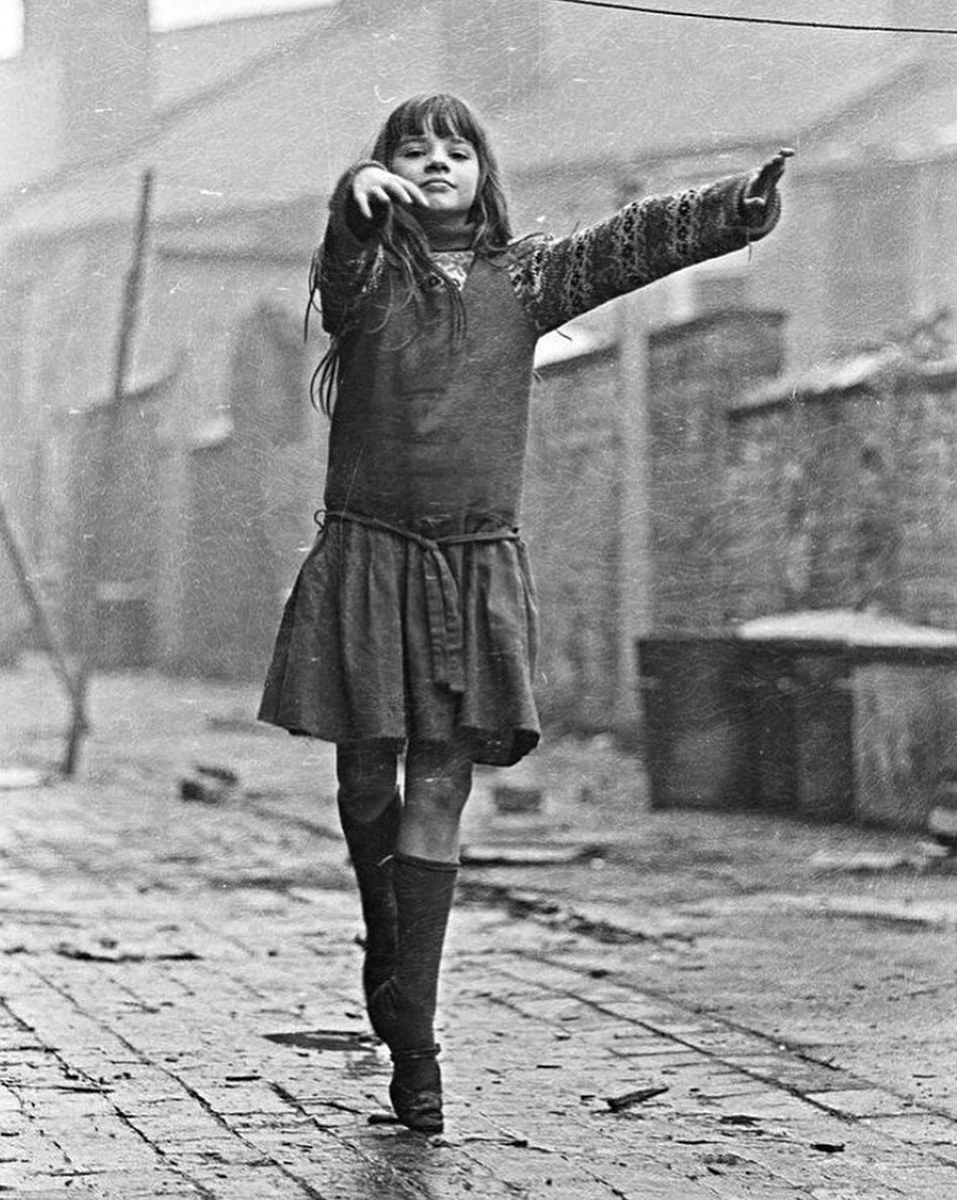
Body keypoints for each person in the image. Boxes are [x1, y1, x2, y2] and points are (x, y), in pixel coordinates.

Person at [259, 93, 787, 1133]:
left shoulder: (526, 278)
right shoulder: (370, 276)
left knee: (442, 778)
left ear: (483, 172)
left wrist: (736, 207)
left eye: (457, 148)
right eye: (414, 149)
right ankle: (386, 933)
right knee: (367, 769)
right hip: (368, 552)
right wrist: (351, 203)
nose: (437, 160)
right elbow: (340, 265)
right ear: (389, 173)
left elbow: (627, 243)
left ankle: (415, 1038)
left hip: (472, 565)